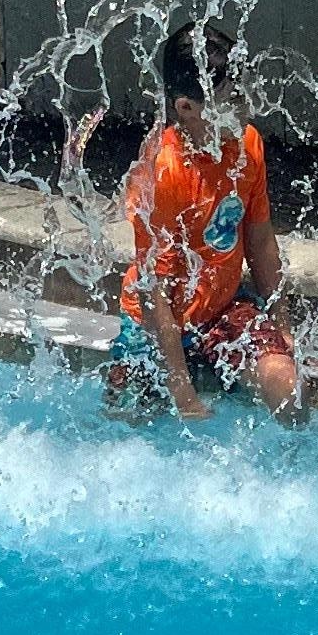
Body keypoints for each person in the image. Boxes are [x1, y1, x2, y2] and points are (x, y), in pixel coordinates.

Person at [104, 27, 301, 422]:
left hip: (221, 309)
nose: (247, 106)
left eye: (245, 92)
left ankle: (300, 454)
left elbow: (260, 241)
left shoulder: (247, 145)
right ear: (186, 108)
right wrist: (183, 394)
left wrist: (283, 329)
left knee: (286, 385)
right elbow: (155, 291)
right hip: (154, 324)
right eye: (233, 99)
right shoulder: (161, 171)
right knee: (122, 415)